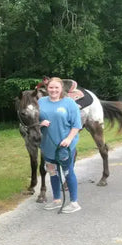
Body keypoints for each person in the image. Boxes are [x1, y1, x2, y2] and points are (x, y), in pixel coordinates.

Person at [39, 77, 82, 213]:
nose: (53, 90)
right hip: (47, 145)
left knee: (68, 172)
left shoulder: (69, 103)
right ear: (47, 88)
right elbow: (33, 120)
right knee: (52, 173)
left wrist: (69, 139)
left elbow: (76, 124)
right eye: (51, 87)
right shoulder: (40, 102)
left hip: (64, 146)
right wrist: (40, 124)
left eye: (56, 87)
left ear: (61, 88)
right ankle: (57, 199)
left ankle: (74, 202)